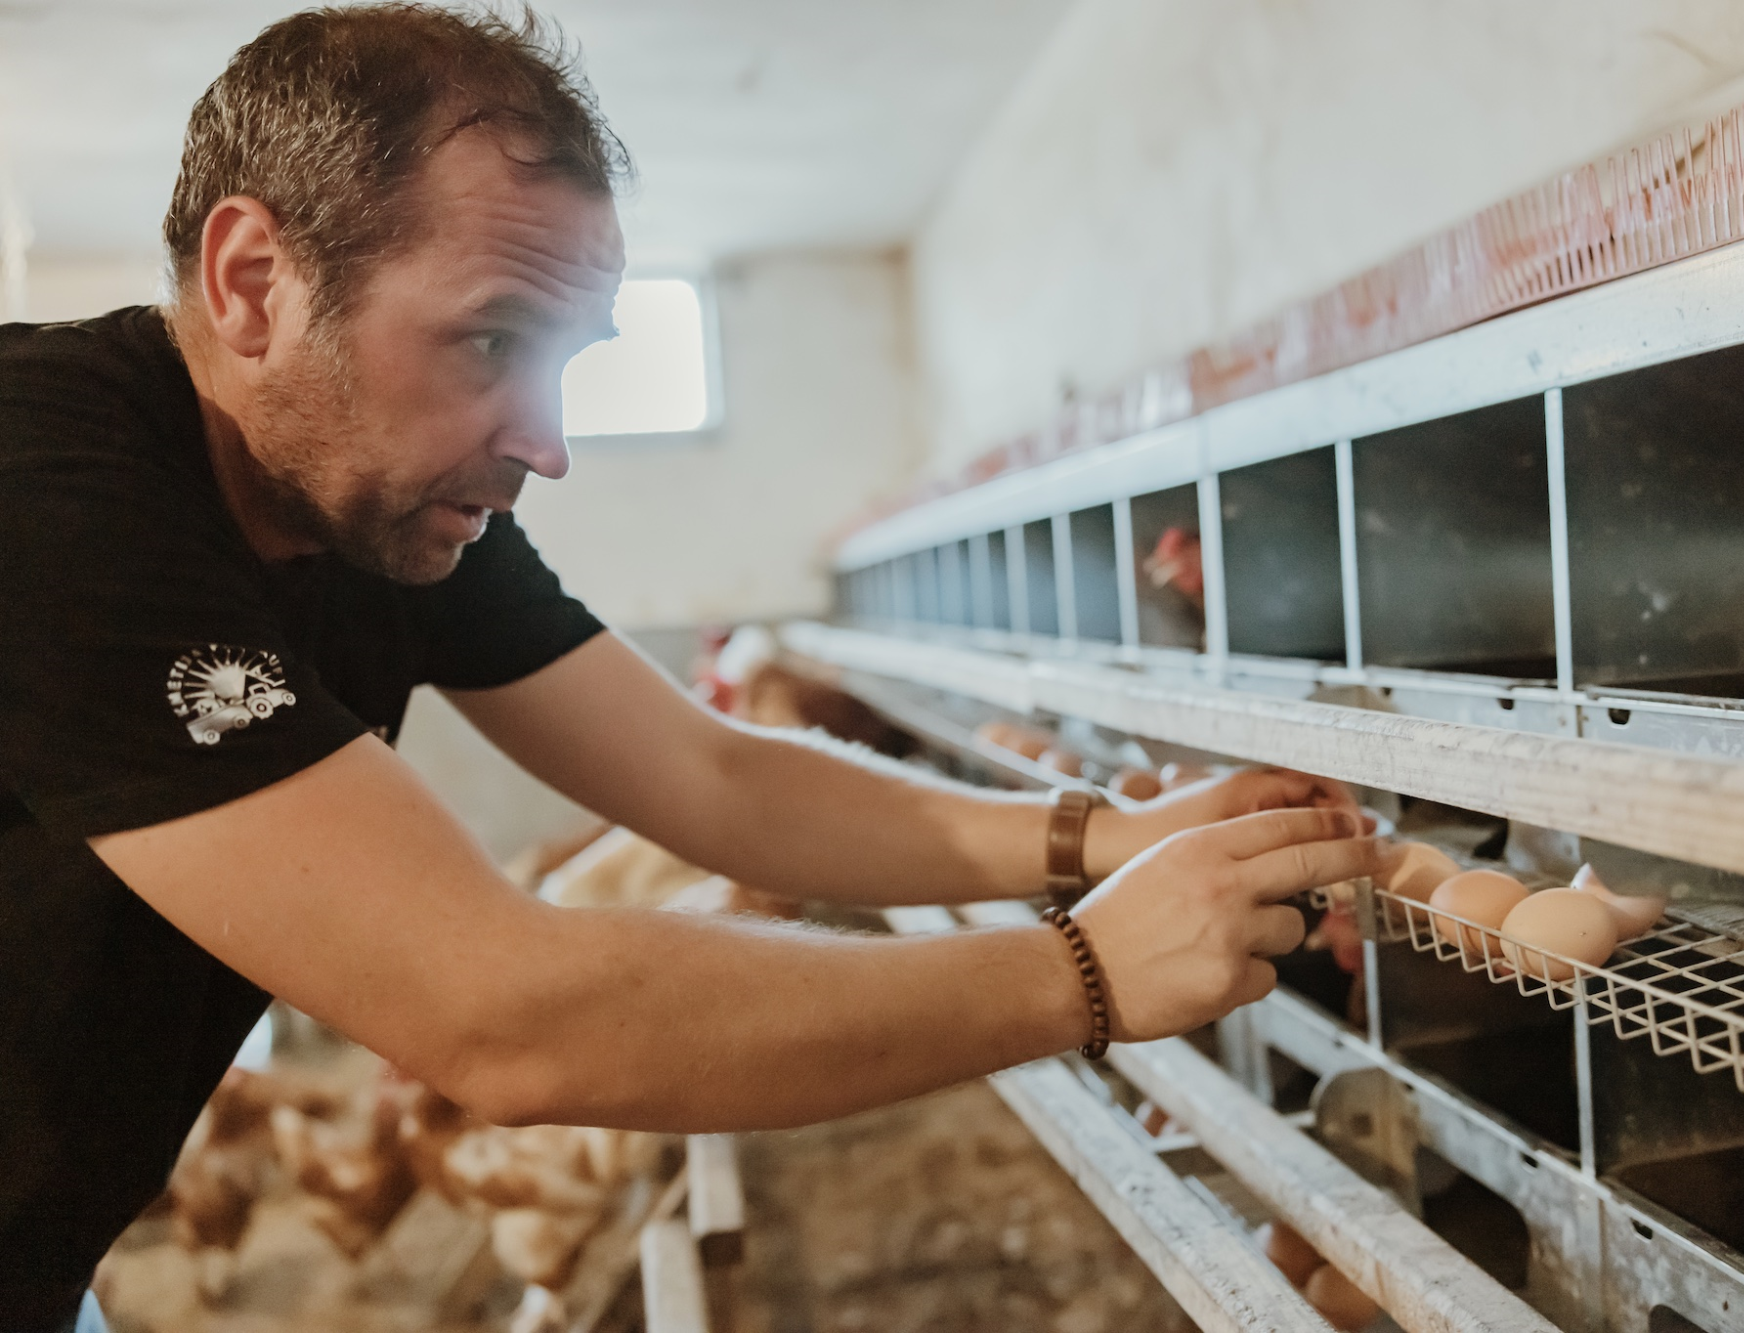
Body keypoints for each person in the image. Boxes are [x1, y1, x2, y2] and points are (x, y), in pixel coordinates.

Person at [0, 6, 1376, 1328]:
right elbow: (503, 1015)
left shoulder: (381, 505)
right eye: (491, 340)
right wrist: (1085, 975)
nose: (546, 442)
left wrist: (1102, 837)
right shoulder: (47, 487)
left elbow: (711, 775)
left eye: (565, 361)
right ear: (255, 283)